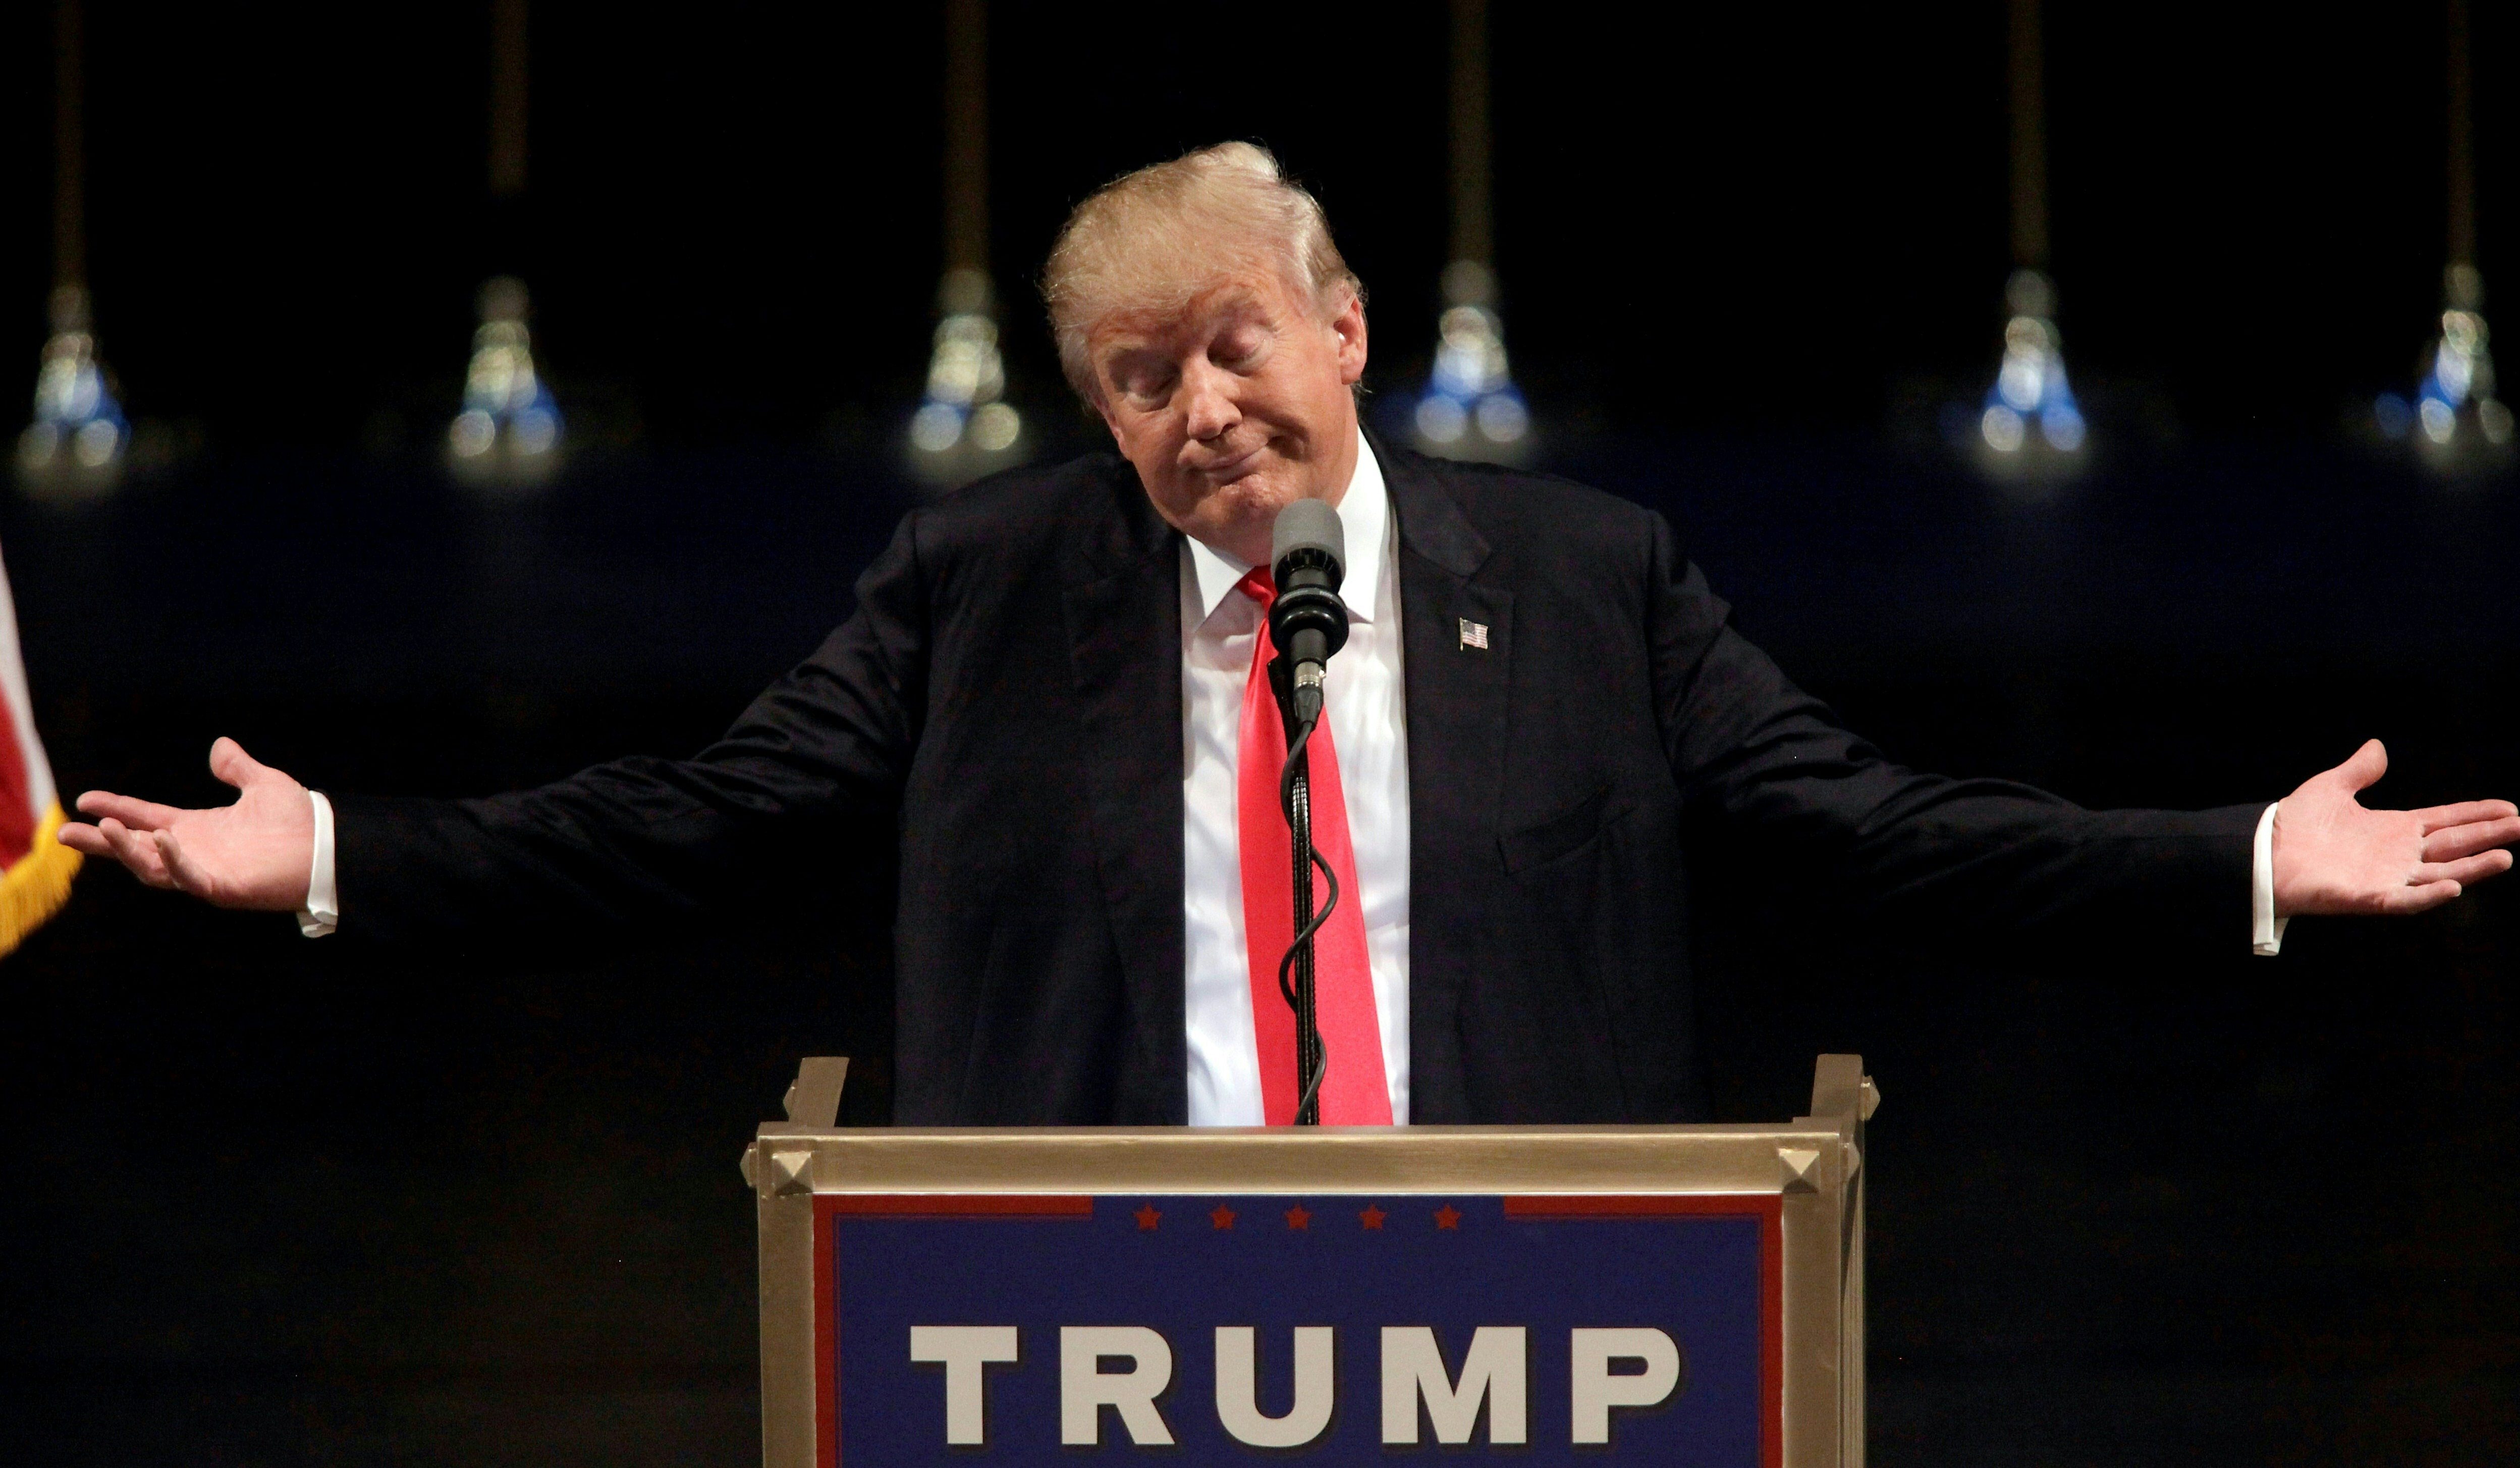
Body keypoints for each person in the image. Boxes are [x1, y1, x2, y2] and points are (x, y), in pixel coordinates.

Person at [63, 143, 2520, 1126]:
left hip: (1523, 1319)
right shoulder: (981, 586)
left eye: (1233, 340)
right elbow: (690, 820)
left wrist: (2240, 864)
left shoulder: (1585, 575)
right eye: (1137, 378)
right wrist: (334, 855)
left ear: (1343, 326)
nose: (1195, 404)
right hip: (1088, 1317)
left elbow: (1867, 825)